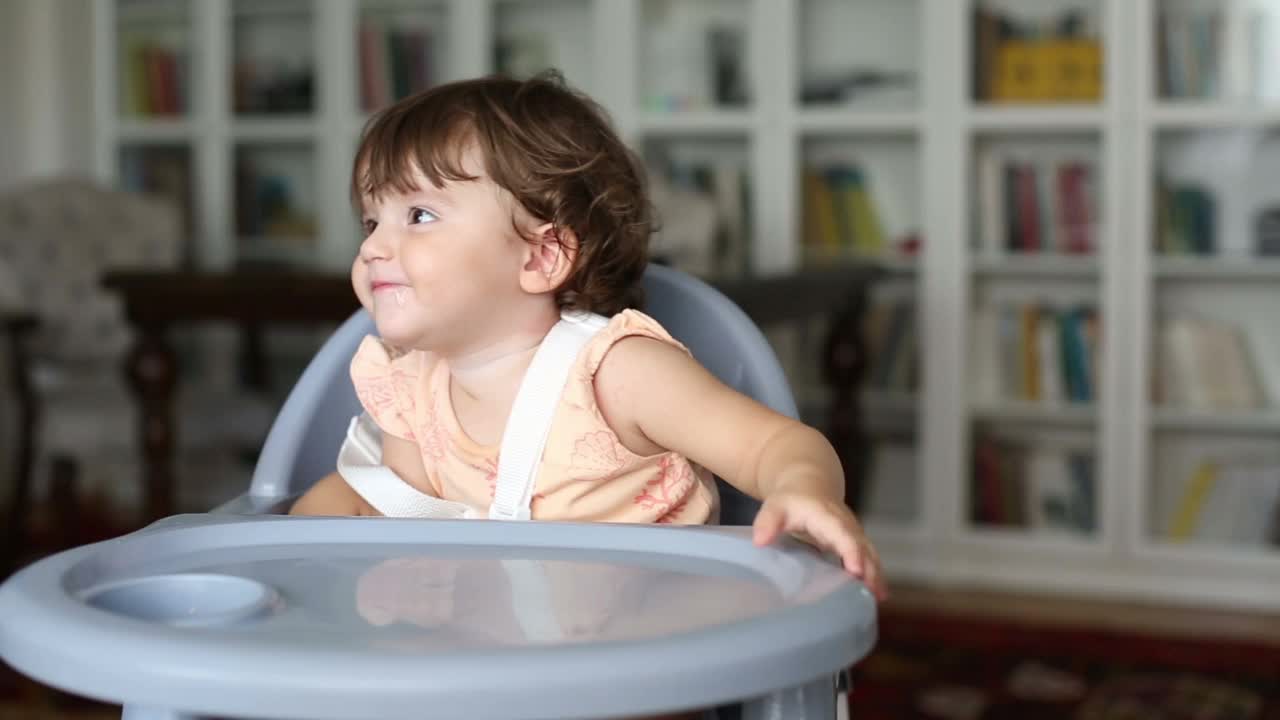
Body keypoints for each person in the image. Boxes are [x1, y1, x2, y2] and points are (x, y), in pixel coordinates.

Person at [289, 70, 886, 606]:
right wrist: (292, 559)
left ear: (542, 255)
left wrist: (804, 489)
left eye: (418, 215)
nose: (372, 248)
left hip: (645, 644)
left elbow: (773, 447)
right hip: (493, 644)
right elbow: (396, 509)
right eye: (371, 220)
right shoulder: (409, 382)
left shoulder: (617, 373)